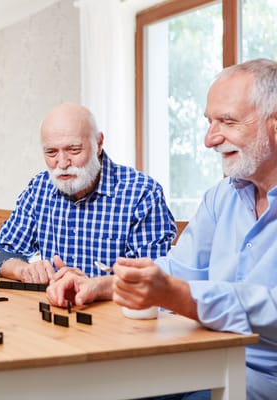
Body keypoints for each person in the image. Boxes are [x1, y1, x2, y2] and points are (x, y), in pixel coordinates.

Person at [48, 58, 277, 400]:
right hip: (205, 354)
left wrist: (179, 295)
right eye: (209, 122)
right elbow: (178, 269)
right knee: (93, 388)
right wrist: (102, 285)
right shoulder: (221, 197)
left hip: (263, 373)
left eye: (227, 121)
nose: (209, 140)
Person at [0, 103, 176, 285]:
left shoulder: (142, 194)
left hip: (116, 316)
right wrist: (24, 270)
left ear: (99, 143)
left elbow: (151, 280)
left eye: (74, 150)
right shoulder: (39, 188)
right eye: (51, 153)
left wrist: (93, 285)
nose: (63, 163)